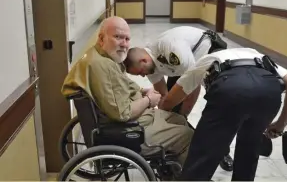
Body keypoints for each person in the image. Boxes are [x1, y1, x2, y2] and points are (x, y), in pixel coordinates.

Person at [61, 16, 194, 166]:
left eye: (127, 39)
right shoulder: (104, 66)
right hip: (130, 131)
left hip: (132, 121)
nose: (124, 44)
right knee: (188, 136)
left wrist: (142, 91)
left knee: (180, 119)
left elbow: (123, 86)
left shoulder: (100, 57)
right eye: (118, 37)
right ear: (101, 38)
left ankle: (170, 169)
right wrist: (149, 100)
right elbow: (123, 113)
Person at [159, 47, 287, 181]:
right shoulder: (261, 58)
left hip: (230, 89)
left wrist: (162, 115)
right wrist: (280, 125)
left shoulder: (206, 60)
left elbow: (172, 98)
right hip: (268, 92)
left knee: (203, 155)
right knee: (249, 151)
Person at [123, 26, 234, 171]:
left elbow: (192, 86)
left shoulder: (171, 50)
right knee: (173, 112)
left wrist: (183, 115)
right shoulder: (150, 65)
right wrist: (166, 114)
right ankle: (174, 155)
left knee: (214, 114)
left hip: (208, 61)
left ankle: (222, 152)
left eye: (140, 72)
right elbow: (164, 94)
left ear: (143, 60)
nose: (143, 76)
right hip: (184, 66)